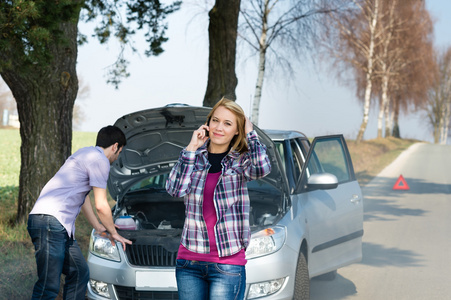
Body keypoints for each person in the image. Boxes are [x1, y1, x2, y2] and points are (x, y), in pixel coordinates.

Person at [166, 98, 271, 300]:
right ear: (208, 123)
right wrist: (191, 147)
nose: (219, 128)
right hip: (189, 263)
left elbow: (262, 168)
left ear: (237, 130)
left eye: (228, 123)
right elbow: (175, 190)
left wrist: (251, 133)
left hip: (228, 262)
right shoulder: (193, 158)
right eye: (215, 120)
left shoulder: (241, 161)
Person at [27, 125, 132, 300]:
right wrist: (114, 234)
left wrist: (99, 227)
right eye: (120, 152)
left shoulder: (85, 153)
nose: (117, 156)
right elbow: (101, 204)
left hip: (56, 225)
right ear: (115, 146)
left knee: (79, 272)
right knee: (48, 286)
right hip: (49, 222)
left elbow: (84, 198)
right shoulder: (100, 161)